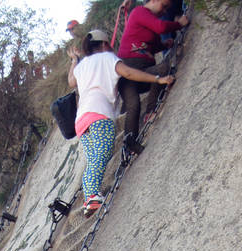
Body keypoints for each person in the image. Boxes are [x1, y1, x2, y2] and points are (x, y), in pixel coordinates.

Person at [67, 30, 174, 215]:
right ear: (102, 45)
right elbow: (129, 73)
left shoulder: (81, 65)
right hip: (99, 113)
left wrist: (74, 60)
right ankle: (91, 195)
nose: (111, 48)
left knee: (93, 158)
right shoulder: (107, 58)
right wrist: (157, 78)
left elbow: (71, 81)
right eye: (109, 44)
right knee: (103, 152)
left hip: (81, 120)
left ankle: (89, 199)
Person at [117, 0, 189, 141]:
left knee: (162, 69)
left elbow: (151, 46)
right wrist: (179, 24)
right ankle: (129, 144)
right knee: (133, 105)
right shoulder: (139, 12)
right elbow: (161, 27)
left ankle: (150, 111)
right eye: (164, 6)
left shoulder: (150, 20)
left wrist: (164, 45)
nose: (164, 11)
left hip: (143, 70)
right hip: (128, 70)